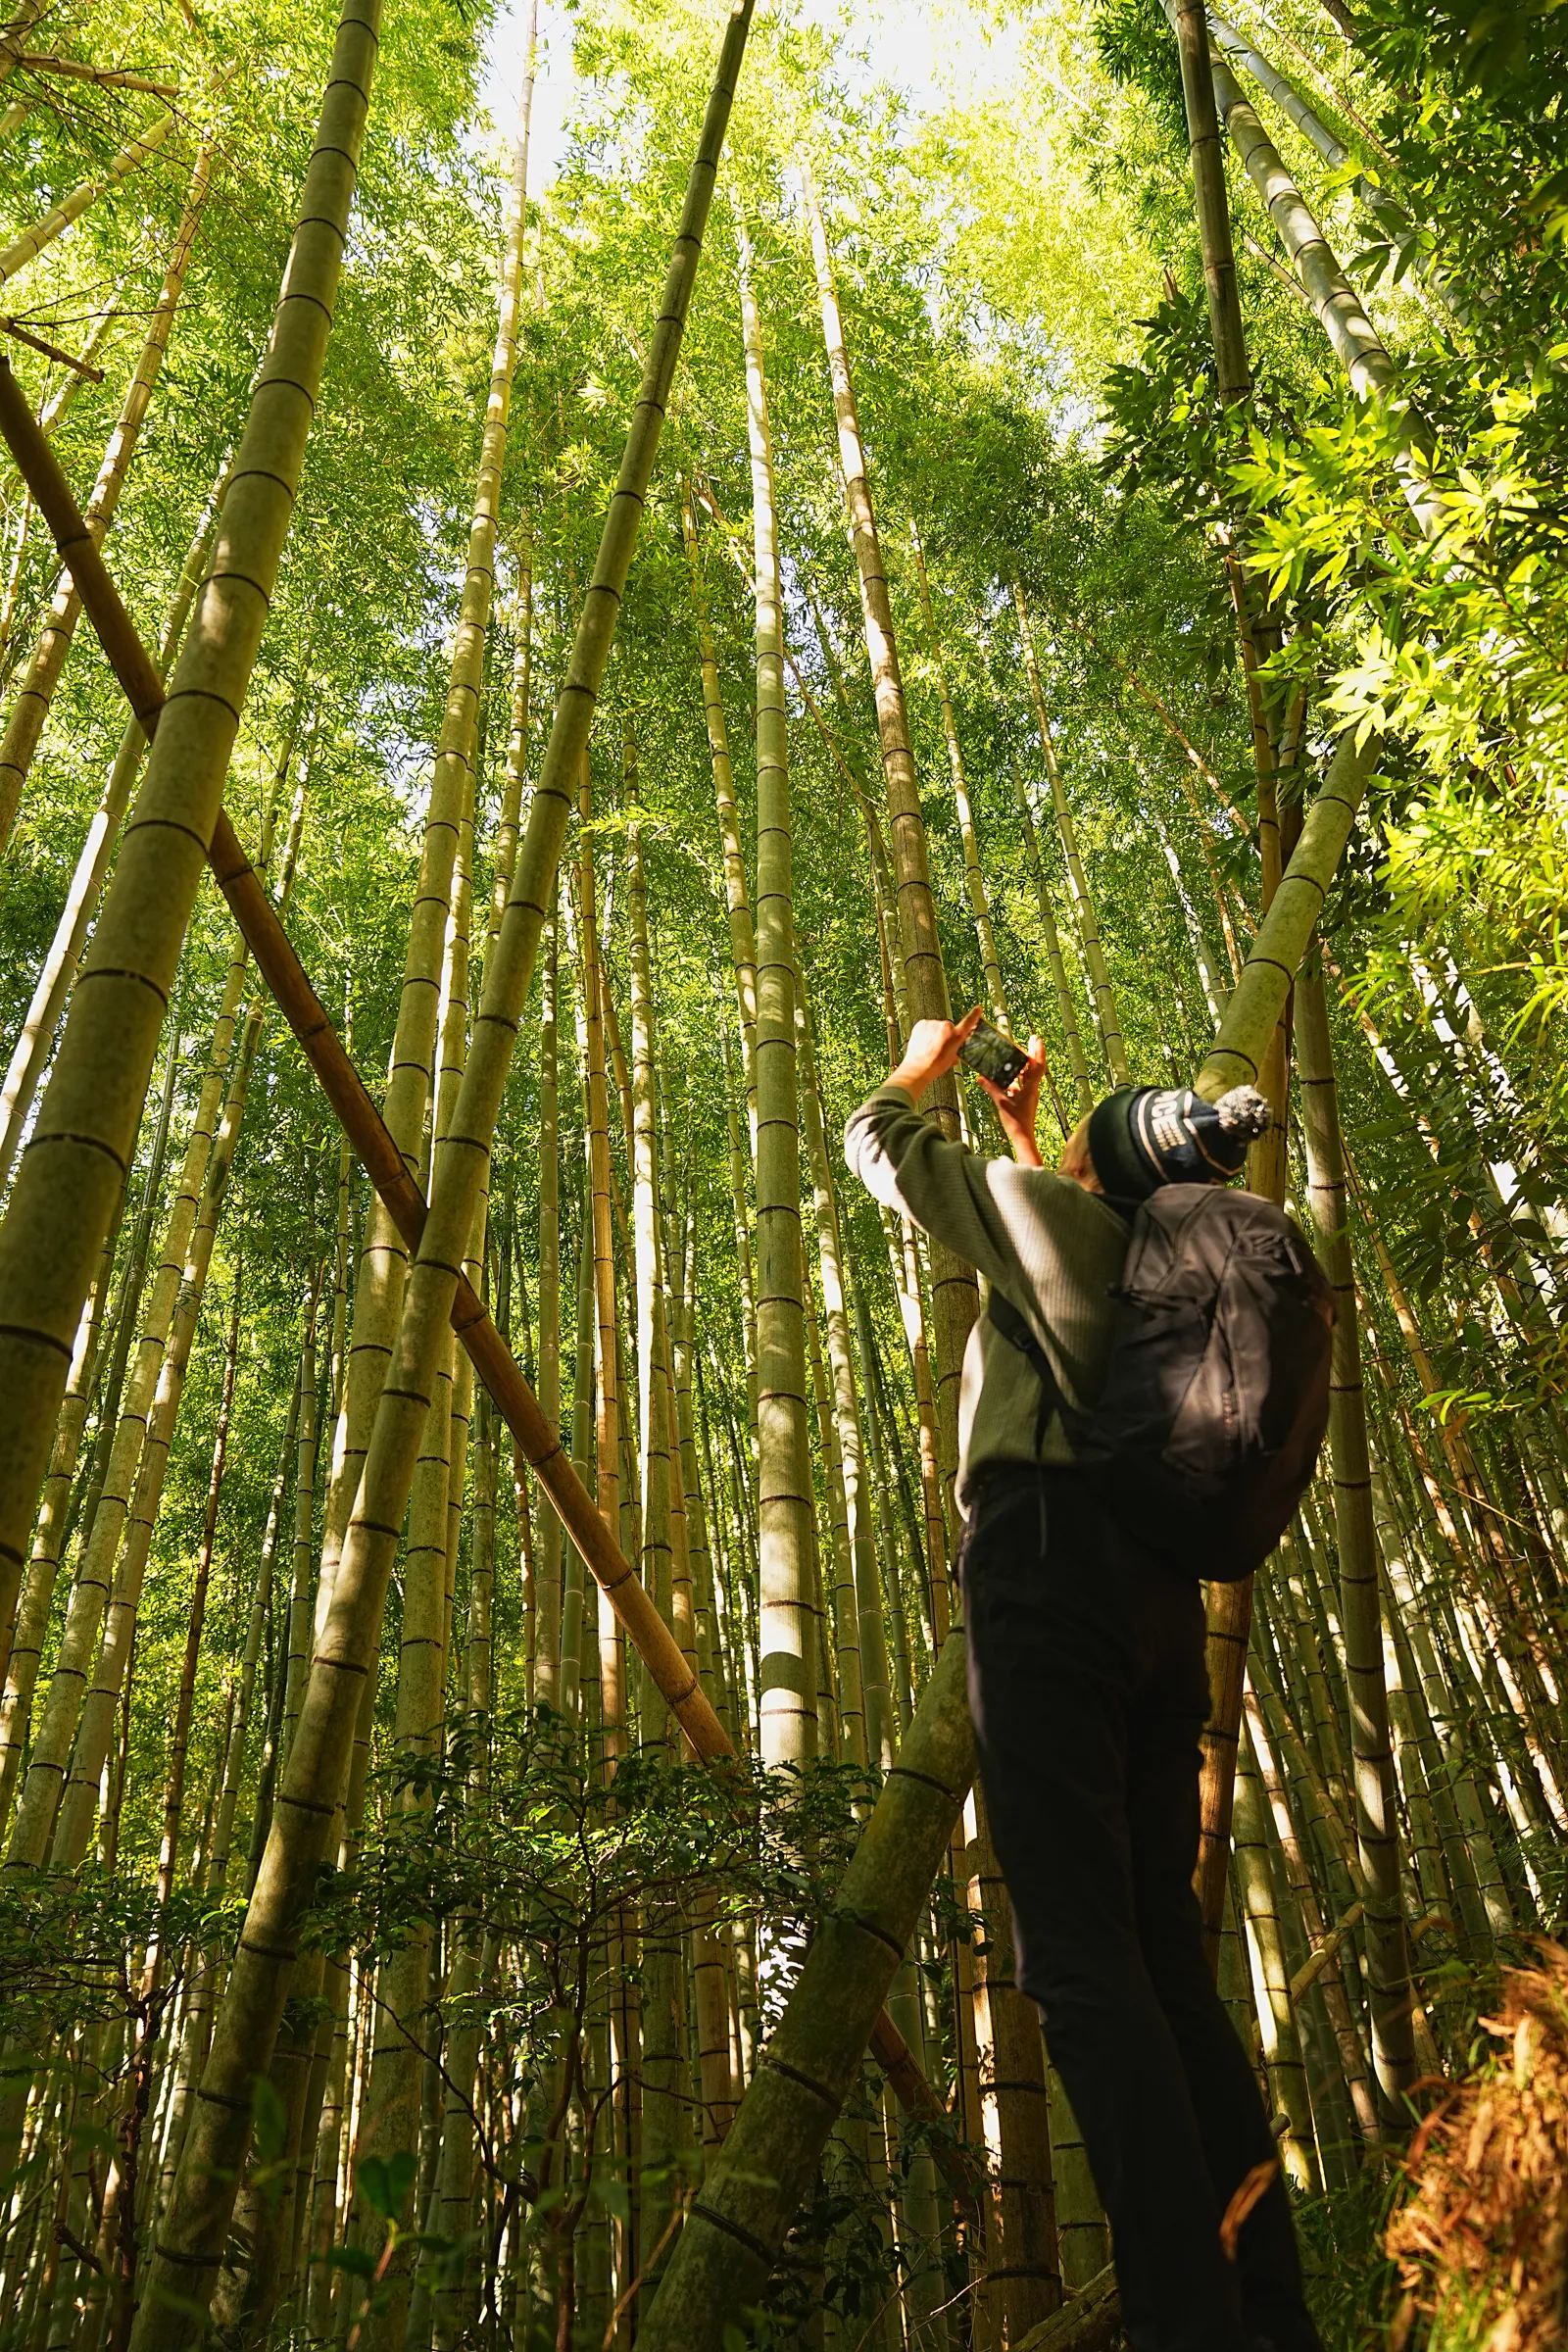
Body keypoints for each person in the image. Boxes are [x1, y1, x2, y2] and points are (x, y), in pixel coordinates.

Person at [844, 1005, 1323, 2352]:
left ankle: (1184, 2323)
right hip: (1162, 1609)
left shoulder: (1058, 1229)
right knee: (1167, 1963)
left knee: (1080, 1962)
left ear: (1096, 1174)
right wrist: (1023, 1139)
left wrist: (920, 1066)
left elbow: (873, 1145)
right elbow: (1055, 1228)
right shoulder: (1153, 1264)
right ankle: (1264, 2315)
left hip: (1044, 1576)